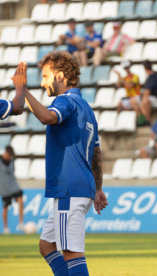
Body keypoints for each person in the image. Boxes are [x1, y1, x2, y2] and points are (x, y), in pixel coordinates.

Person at [20, 51, 108, 276]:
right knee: (46, 245)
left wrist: (23, 91)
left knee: (71, 254)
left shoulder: (65, 101)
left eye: (45, 76)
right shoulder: (86, 107)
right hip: (81, 188)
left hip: (69, 188)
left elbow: (47, 117)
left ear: (59, 76)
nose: (42, 83)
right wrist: (98, 188)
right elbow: (96, 153)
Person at [0, 146, 24, 234]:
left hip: (14, 185)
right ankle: (6, 228)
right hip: (4, 188)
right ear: (5, 153)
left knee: (21, 201)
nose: (10, 157)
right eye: (9, 155)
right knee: (5, 207)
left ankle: (21, 223)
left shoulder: (12, 160)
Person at [140, 60, 157, 125]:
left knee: (144, 101)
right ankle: (145, 120)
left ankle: (147, 120)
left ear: (145, 68)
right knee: (141, 101)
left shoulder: (151, 77)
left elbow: (147, 92)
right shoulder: (156, 74)